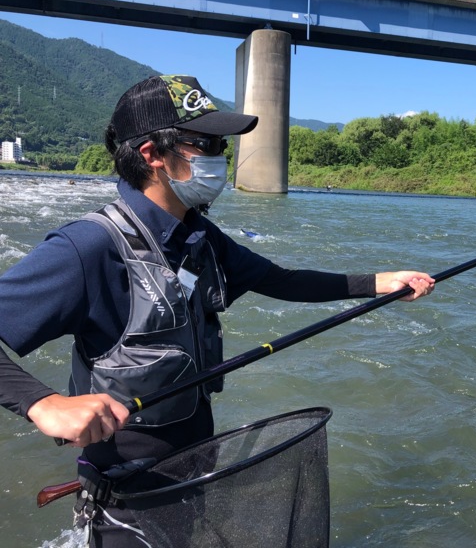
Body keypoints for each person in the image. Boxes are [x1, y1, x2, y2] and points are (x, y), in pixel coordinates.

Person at [0, 74, 434, 546]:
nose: (219, 157)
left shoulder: (199, 238)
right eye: (204, 143)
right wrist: (45, 404)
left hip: (195, 467)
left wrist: (376, 284)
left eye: (221, 145)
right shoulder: (87, 248)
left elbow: (281, 280)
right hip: (126, 487)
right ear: (152, 155)